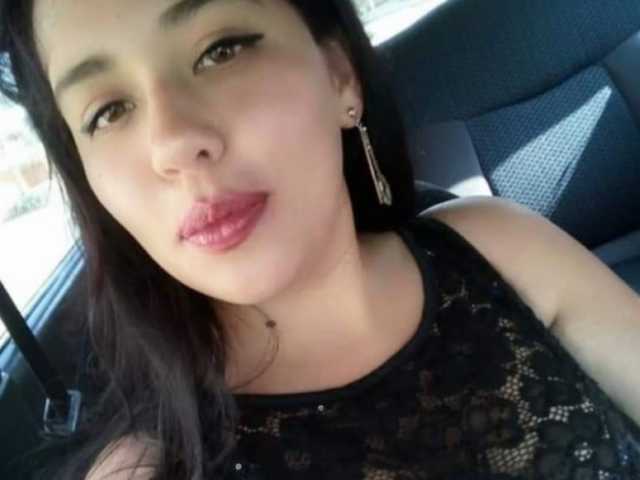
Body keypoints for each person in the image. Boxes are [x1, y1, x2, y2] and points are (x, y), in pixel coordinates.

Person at [0, 0, 639, 478]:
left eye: (220, 51)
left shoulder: (502, 248)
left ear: (339, 75)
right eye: (108, 112)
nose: (171, 144)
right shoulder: (151, 469)